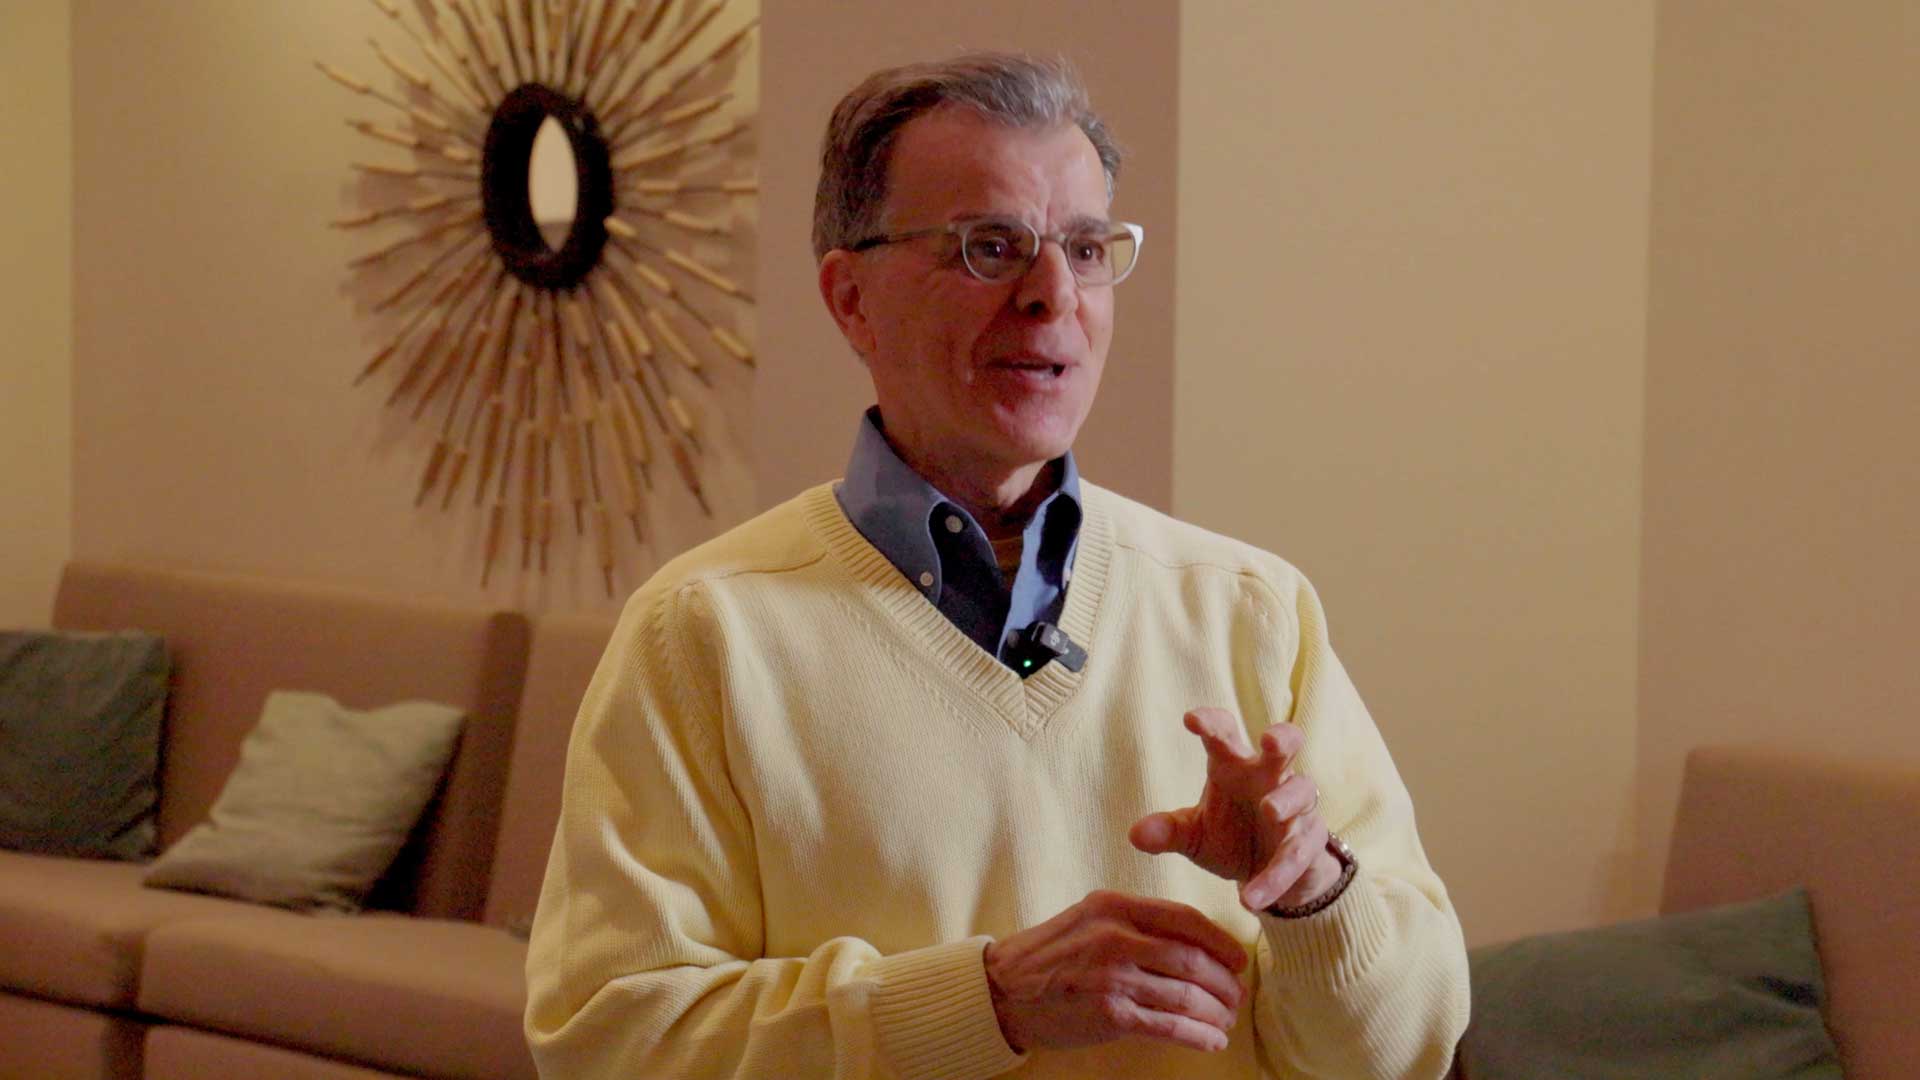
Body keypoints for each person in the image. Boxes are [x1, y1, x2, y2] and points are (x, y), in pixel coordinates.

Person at [525, 52, 1469, 1079]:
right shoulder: (704, 632)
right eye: (989, 248)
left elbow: (1406, 1049)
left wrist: (1313, 895)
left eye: (1087, 247)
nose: (1053, 295)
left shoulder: (1252, 610)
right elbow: (607, 1044)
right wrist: (985, 1004)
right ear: (851, 299)